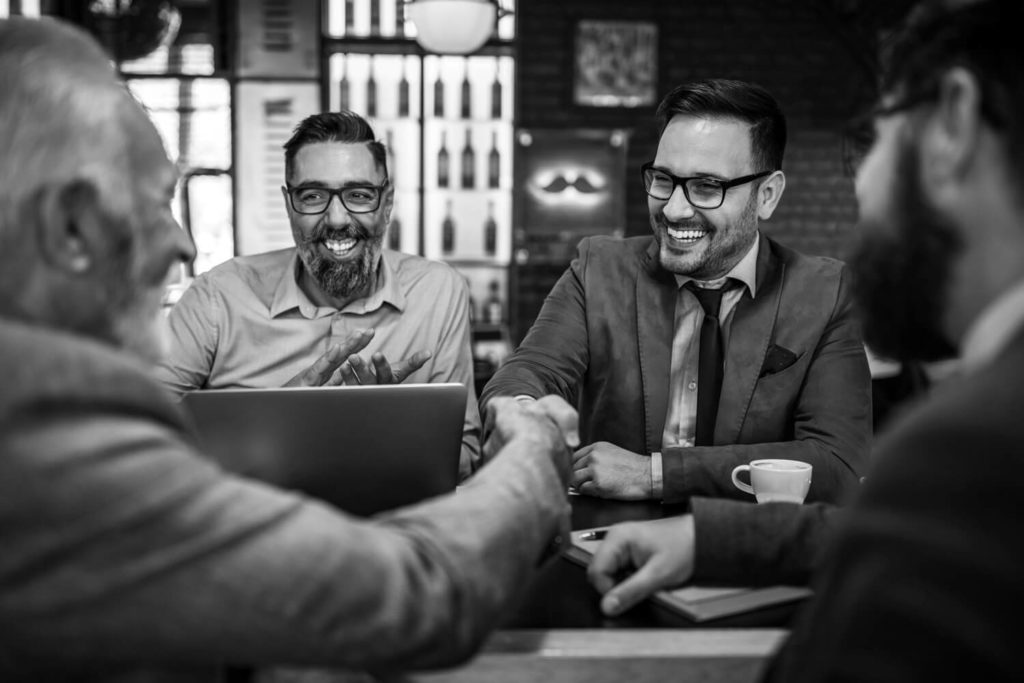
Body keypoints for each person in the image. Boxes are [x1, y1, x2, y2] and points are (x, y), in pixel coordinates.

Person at [0, 17, 578, 681]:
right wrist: (534, 454)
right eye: (158, 202)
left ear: (386, 203)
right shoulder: (49, 421)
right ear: (68, 227)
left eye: (359, 194)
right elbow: (416, 598)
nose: (184, 243)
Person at [591, 0, 1024, 677]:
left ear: (954, 125)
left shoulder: (974, 442)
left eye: (872, 138)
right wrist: (708, 538)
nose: (862, 186)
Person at [482, 78, 872, 504]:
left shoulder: (826, 292)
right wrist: (517, 410)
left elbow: (837, 463)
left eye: (707, 187)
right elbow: (530, 370)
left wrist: (656, 474)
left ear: (767, 196)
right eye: (664, 179)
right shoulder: (598, 268)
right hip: (607, 546)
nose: (673, 209)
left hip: (750, 553)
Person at [156, 111, 482, 479]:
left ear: (387, 203)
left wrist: (384, 435)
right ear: (289, 205)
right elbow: (134, 434)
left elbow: (465, 453)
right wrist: (278, 424)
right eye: (313, 196)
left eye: (359, 195)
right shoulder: (218, 297)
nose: (338, 219)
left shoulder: (438, 292)